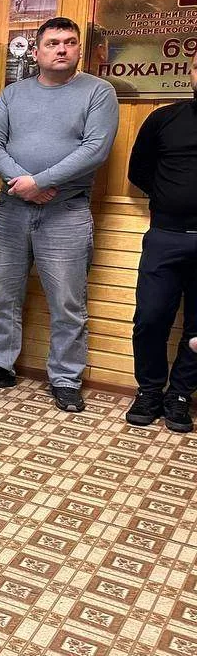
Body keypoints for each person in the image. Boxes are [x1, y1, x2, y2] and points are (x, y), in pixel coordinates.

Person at [0, 17, 119, 412]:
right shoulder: (13, 93)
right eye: (52, 43)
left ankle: (65, 378)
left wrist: (41, 181)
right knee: (2, 294)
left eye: (69, 42)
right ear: (36, 52)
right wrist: (24, 183)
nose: (61, 49)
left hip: (66, 212)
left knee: (68, 302)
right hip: (11, 209)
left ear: (79, 49)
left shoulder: (98, 92)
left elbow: (95, 149)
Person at [123, 49, 197, 433]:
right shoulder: (164, 118)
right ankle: (150, 390)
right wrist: (171, 198)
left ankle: (180, 394)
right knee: (150, 318)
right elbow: (139, 171)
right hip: (166, 236)